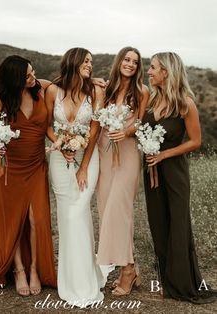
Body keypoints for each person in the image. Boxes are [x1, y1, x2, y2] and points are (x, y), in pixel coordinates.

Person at [143, 52, 217, 304]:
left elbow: (196, 141)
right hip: (151, 172)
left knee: (177, 226)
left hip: (175, 173)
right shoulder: (151, 101)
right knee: (158, 224)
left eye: (153, 67)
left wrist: (164, 155)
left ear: (166, 71)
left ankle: (181, 283)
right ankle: (166, 280)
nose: (149, 71)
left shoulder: (185, 103)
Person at [0, 55, 57, 296]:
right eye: (27, 76)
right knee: (12, 219)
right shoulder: (1, 100)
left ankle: (36, 268)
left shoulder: (42, 88)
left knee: (37, 219)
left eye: (33, 71)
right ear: (14, 80)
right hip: (10, 166)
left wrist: (96, 80)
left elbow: (68, 82)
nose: (33, 77)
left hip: (36, 165)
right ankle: (19, 270)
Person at [45, 47, 105, 307]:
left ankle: (85, 282)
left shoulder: (95, 91)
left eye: (92, 61)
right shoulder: (52, 91)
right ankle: (69, 280)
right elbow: (46, 124)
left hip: (87, 160)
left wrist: (83, 166)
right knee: (66, 218)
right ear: (74, 61)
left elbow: (94, 132)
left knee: (77, 213)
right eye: (86, 61)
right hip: (59, 158)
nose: (90, 65)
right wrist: (59, 142)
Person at [96, 46, 149, 295]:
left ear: (138, 67)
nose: (130, 64)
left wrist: (126, 131)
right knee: (106, 209)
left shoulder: (142, 91)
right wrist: (92, 80)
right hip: (104, 152)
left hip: (127, 153)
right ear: (119, 61)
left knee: (120, 210)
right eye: (127, 59)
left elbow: (139, 123)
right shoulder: (106, 89)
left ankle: (127, 270)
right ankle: (127, 266)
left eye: (135, 62)